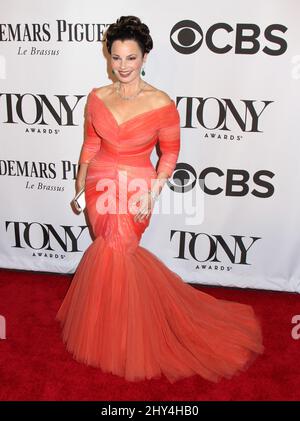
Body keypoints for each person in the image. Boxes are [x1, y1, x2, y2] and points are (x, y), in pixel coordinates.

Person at [56, 15, 264, 384]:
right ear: (108, 56)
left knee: (119, 249)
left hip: (138, 184)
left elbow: (169, 154)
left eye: (130, 58)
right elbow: (90, 144)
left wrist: (153, 193)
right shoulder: (96, 97)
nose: (122, 66)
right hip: (100, 182)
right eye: (116, 57)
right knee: (107, 250)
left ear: (145, 57)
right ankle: (112, 327)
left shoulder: (162, 103)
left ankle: (126, 336)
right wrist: (79, 184)